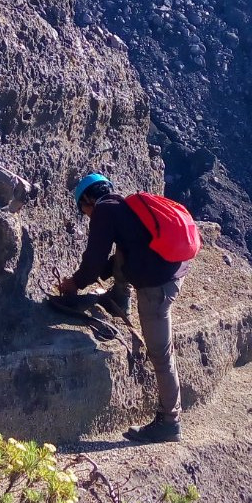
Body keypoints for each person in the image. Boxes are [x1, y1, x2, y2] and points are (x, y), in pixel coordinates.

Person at [59, 173, 189, 443]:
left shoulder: (104, 211)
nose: (85, 215)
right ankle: (119, 298)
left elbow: (94, 259)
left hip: (157, 287)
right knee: (162, 351)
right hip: (173, 272)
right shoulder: (124, 207)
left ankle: (169, 422)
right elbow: (124, 255)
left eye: (82, 209)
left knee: (161, 355)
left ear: (88, 199)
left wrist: (74, 283)